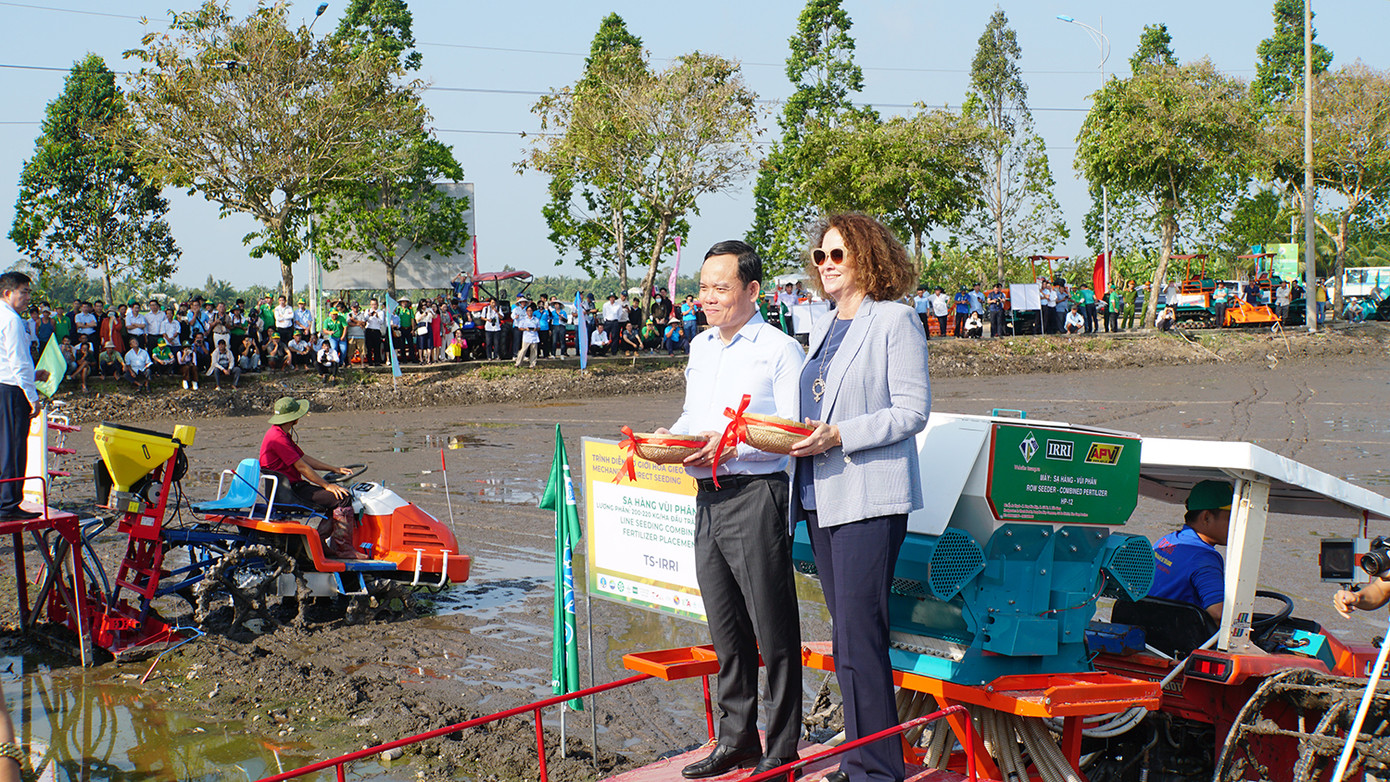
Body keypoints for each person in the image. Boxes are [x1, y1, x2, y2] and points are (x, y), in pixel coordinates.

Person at [788, 214, 929, 782]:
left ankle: (878, 770)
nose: (826, 265)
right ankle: (861, 759)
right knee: (846, 637)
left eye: (838, 255)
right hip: (820, 495)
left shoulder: (895, 319)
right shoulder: (823, 325)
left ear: (867, 257)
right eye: (820, 256)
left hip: (869, 497)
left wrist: (840, 434)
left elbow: (911, 411)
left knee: (860, 635)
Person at [660, 240, 804, 779]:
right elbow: (692, 416)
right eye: (703, 287)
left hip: (757, 494)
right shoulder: (701, 347)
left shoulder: (779, 350)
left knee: (774, 628)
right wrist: (668, 438)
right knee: (725, 627)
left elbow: (792, 432)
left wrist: (730, 448)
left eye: (721, 287)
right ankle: (737, 739)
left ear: (752, 290)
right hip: (708, 496)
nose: (708, 297)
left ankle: (782, 749)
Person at [259, 397, 364, 560]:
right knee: (343, 498)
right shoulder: (278, 438)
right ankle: (343, 549)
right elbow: (302, 467)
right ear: (294, 418)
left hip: (286, 489)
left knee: (333, 498)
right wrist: (327, 485)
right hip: (289, 492)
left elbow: (304, 458)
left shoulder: (279, 434)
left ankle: (319, 542)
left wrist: (334, 469)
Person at [0, 273, 49, 521]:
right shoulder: (12, 320)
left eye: (29, 292)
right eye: (24, 292)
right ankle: (8, 504)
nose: (28, 297)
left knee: (4, 445)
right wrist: (33, 397)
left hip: (3, 385)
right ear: (8, 293)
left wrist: (33, 374)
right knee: (14, 447)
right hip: (11, 389)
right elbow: (17, 362)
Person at [1150, 480, 1233, 622]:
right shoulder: (1204, 557)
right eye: (1231, 518)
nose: (1237, 525)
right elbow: (1218, 613)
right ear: (1206, 517)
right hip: (1175, 633)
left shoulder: (1167, 540)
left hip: (1149, 626)